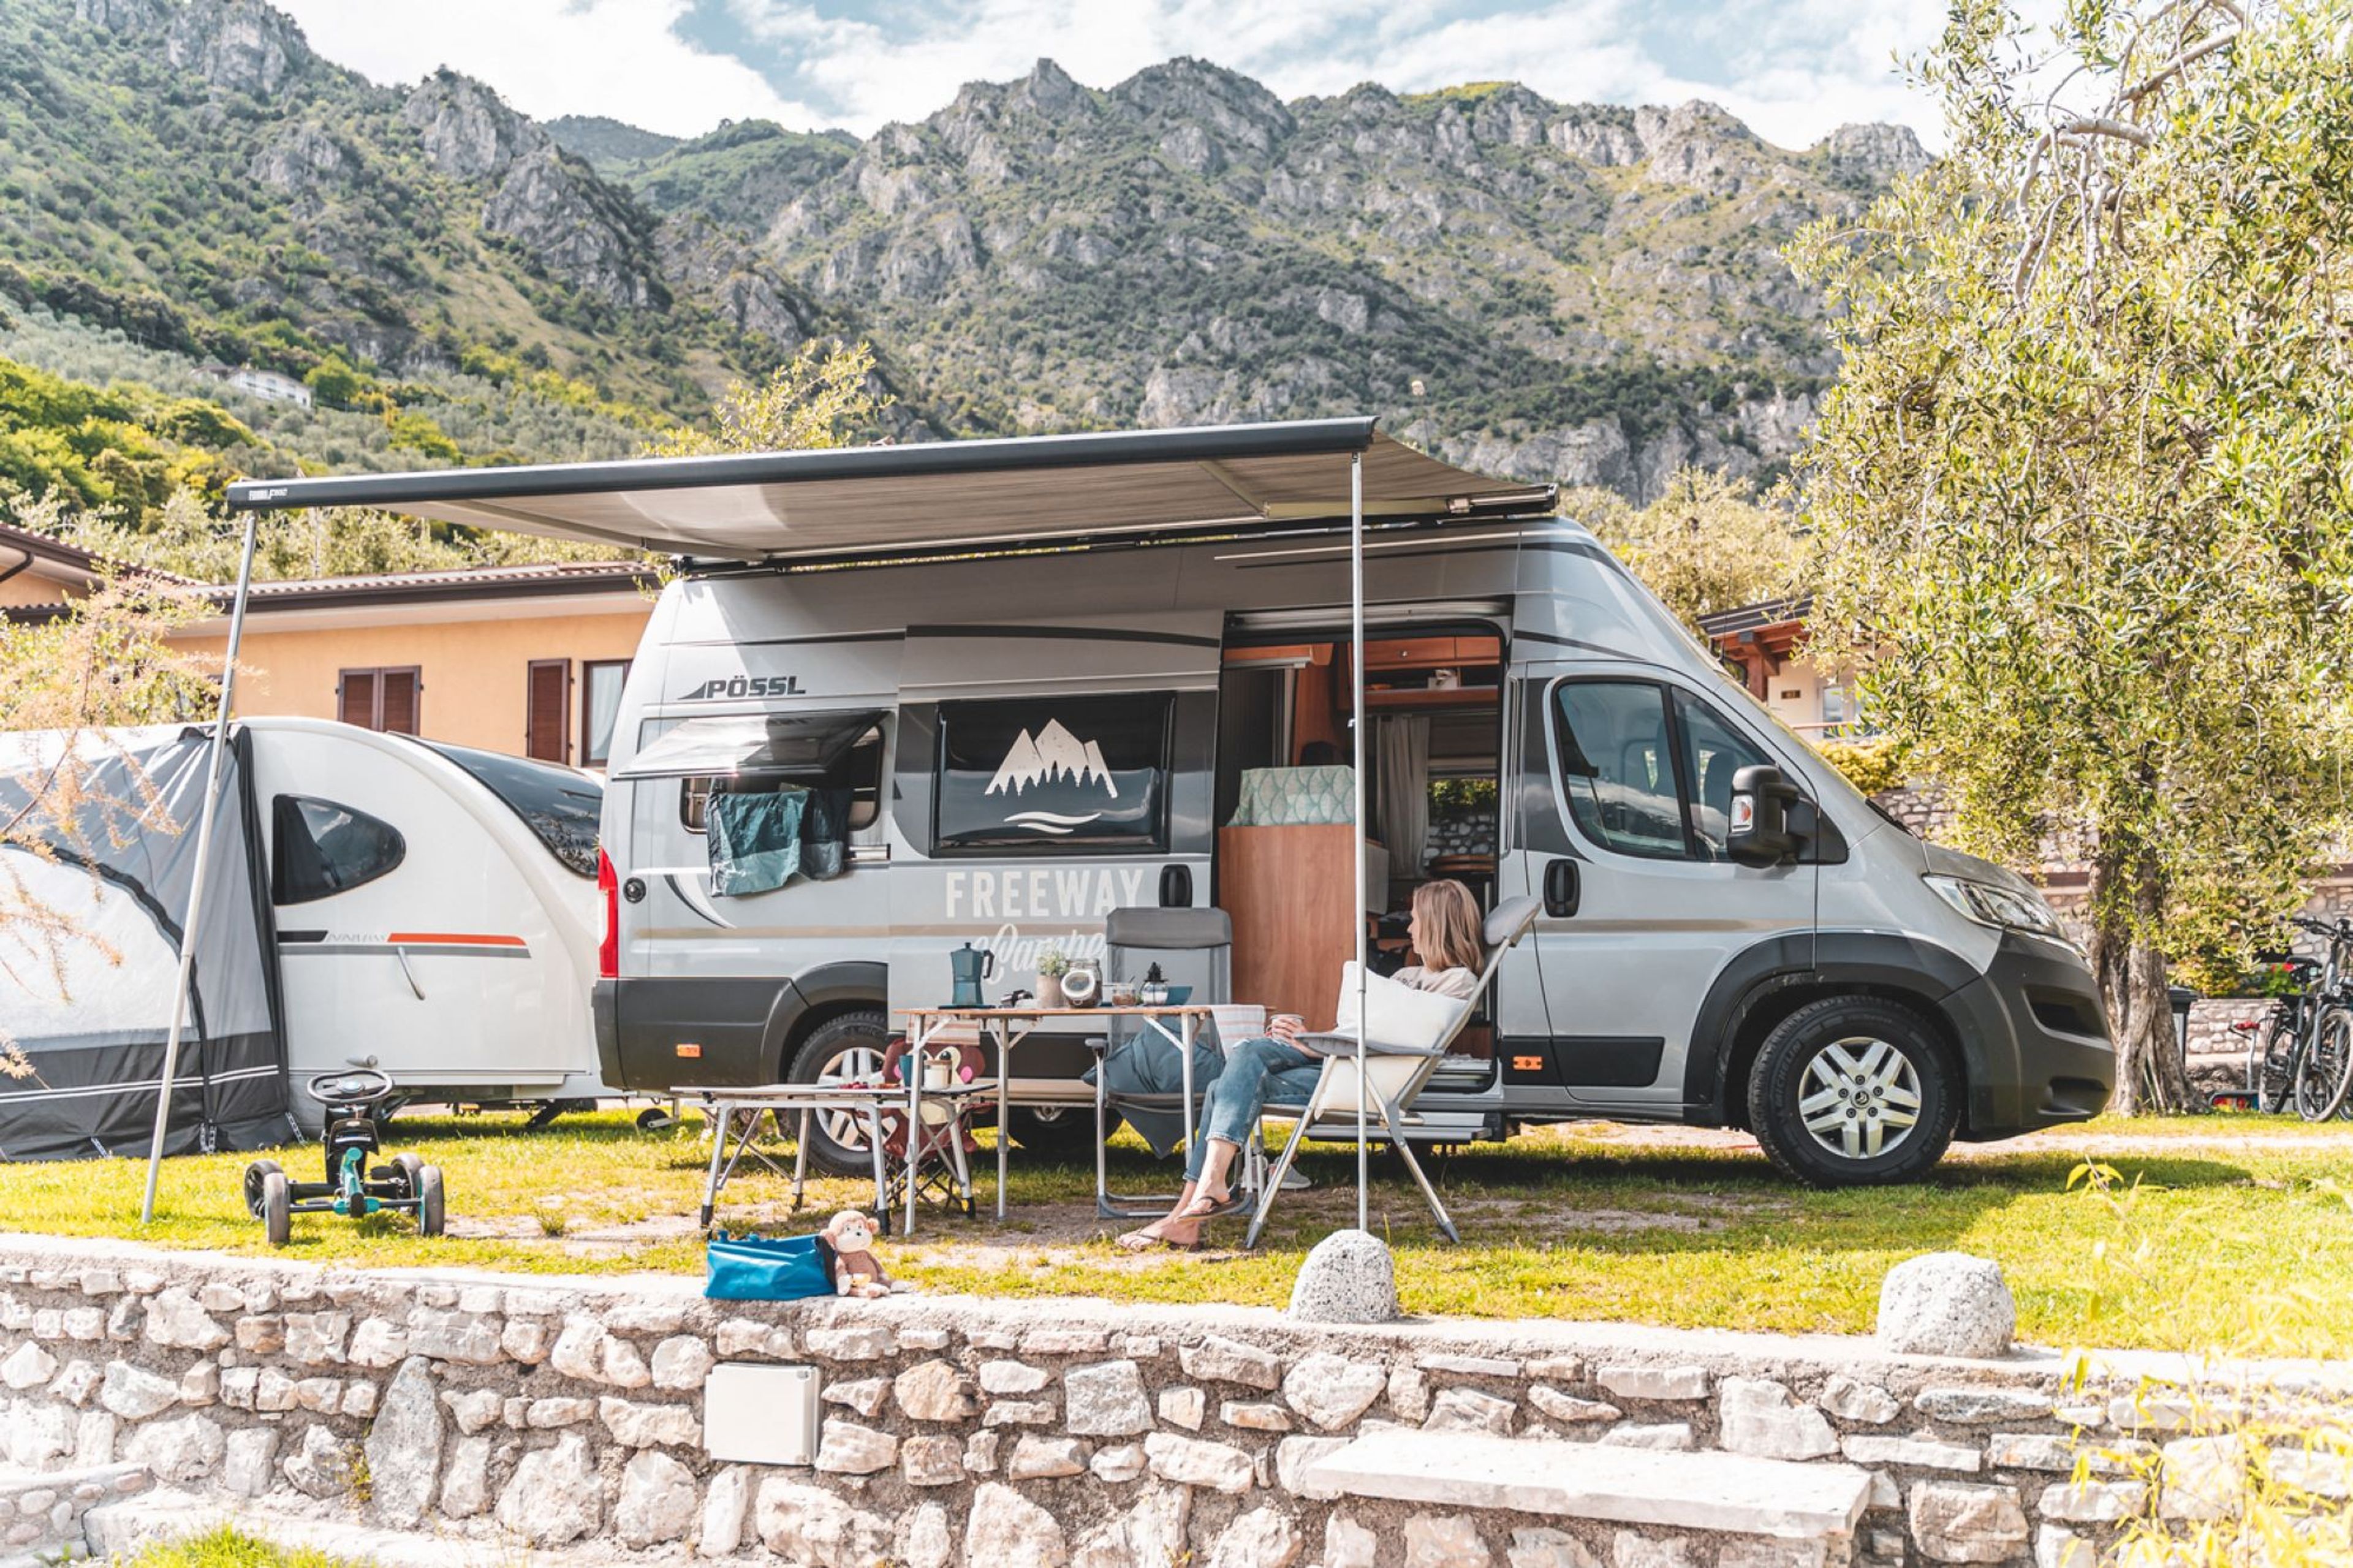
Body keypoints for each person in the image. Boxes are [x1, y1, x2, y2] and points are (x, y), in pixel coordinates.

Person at [1116, 878, 1483, 1252]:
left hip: (1359, 1080)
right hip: (1338, 1062)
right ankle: (1195, 1204)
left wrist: (1313, 1046)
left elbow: (1392, 1042)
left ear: (1438, 925)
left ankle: (1190, 1209)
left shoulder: (1458, 984)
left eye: (1417, 919)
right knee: (1246, 1057)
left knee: (1228, 1079)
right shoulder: (1409, 976)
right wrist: (1310, 1037)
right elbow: (1365, 1030)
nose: (1409, 928)